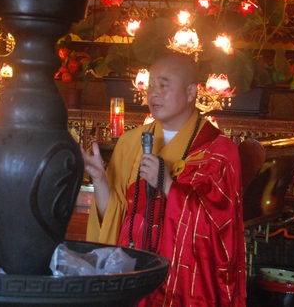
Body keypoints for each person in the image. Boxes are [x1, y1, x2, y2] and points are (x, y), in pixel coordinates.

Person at [84, 52, 247, 306]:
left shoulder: (219, 152)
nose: (153, 94)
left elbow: (220, 233)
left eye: (163, 85)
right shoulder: (129, 143)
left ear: (191, 92)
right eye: (150, 86)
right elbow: (114, 219)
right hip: (133, 278)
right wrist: (99, 180)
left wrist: (168, 186)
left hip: (184, 286)